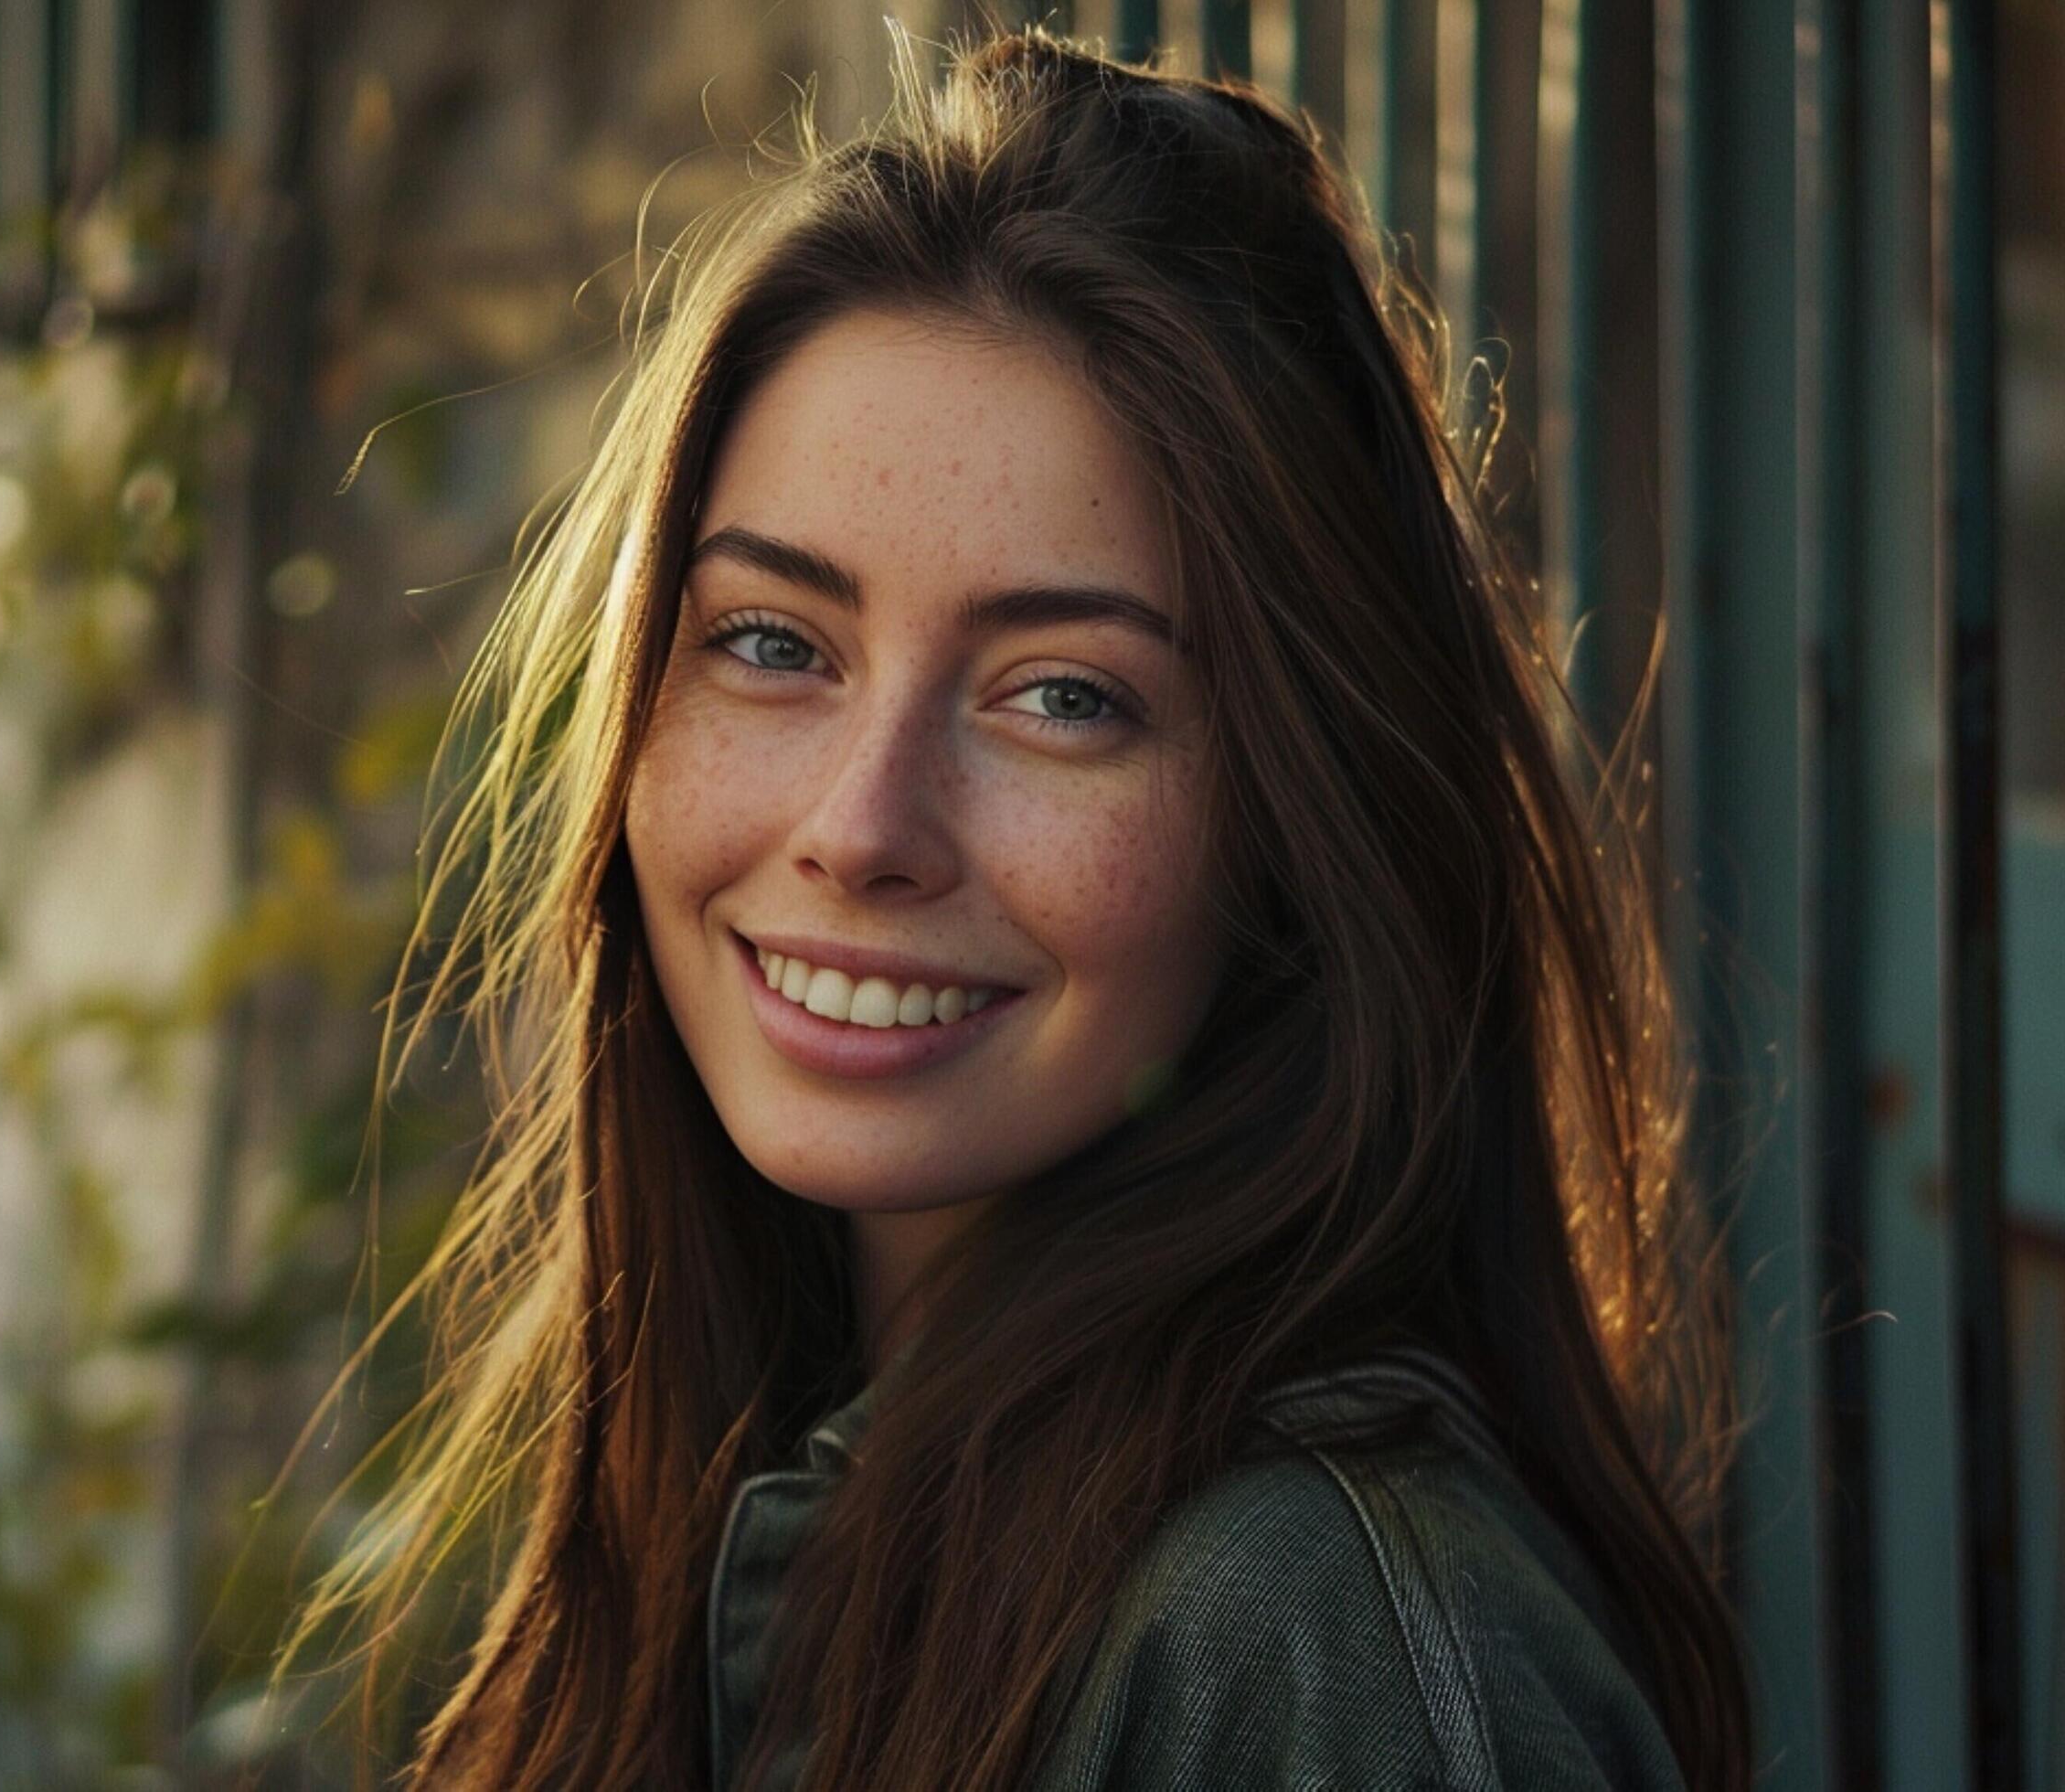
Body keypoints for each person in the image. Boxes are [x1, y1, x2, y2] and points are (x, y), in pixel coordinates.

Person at [285, 27, 1749, 1791]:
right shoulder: (782, 1479)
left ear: (1292, 829)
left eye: (1064, 695)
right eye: (769, 643)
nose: (862, 825)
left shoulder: (1301, 1644)